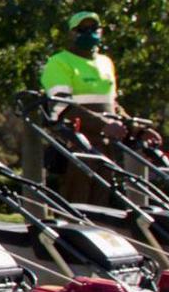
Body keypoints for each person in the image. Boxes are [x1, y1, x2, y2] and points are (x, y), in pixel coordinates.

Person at [41, 11, 160, 204]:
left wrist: (137, 129)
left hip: (106, 146)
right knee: (77, 202)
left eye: (94, 28)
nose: (90, 33)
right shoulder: (59, 62)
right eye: (83, 29)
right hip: (76, 145)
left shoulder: (106, 63)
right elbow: (62, 107)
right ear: (72, 33)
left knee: (101, 203)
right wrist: (102, 124)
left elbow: (113, 106)